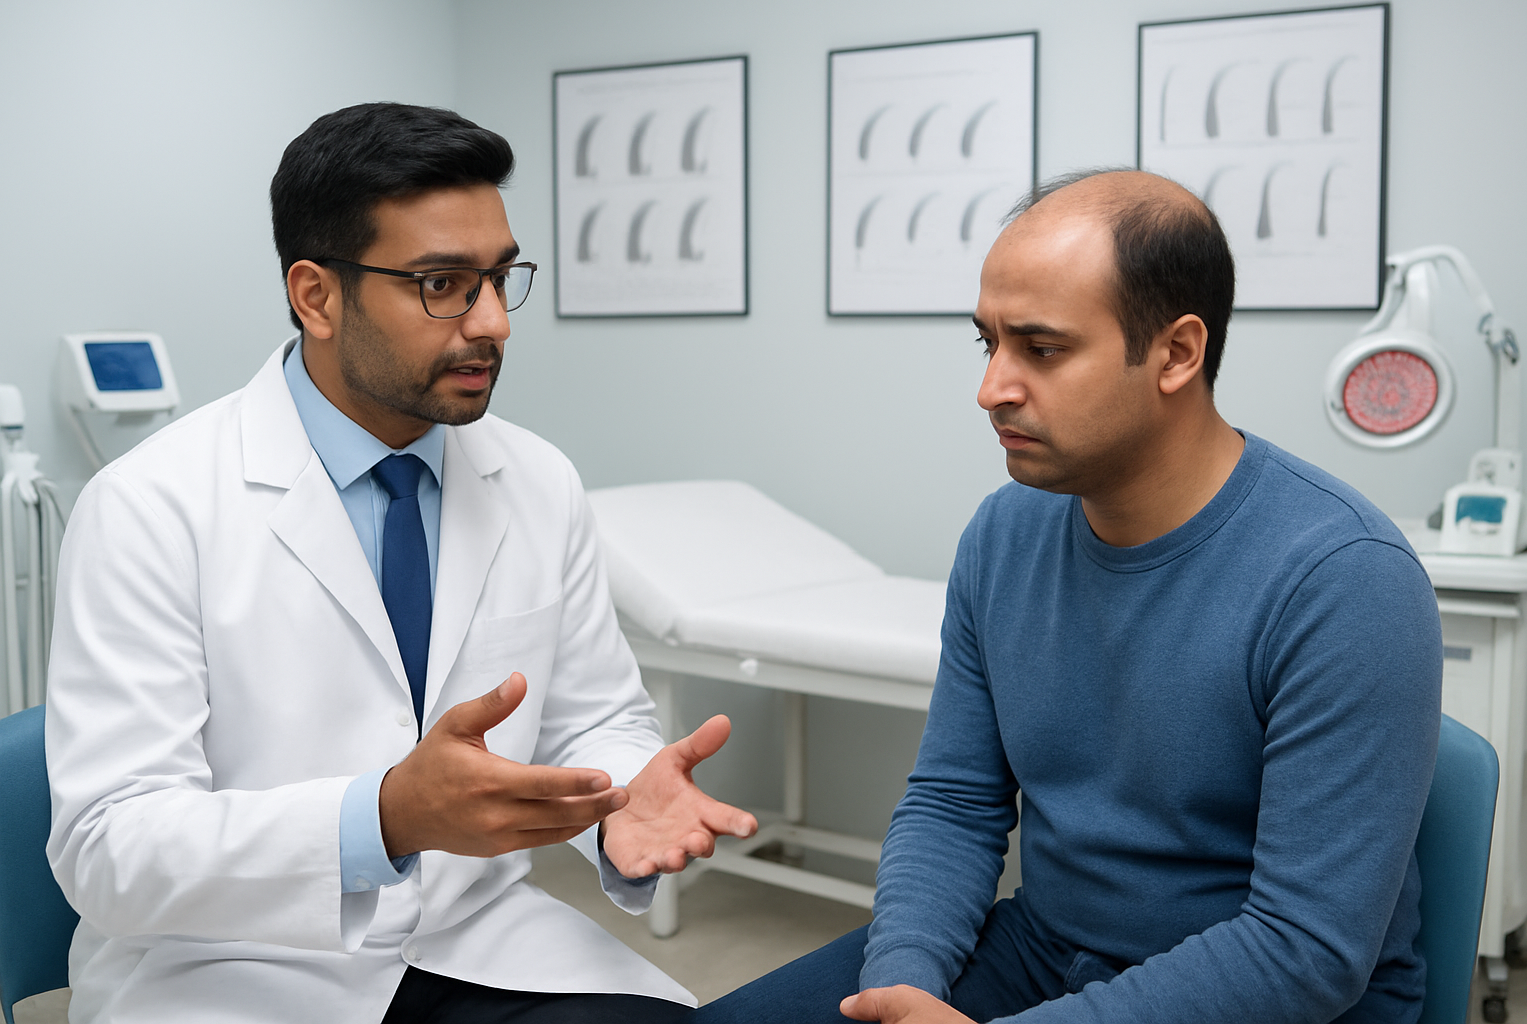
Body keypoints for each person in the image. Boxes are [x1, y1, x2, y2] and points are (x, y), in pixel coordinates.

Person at [45, 101, 756, 1024]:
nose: (493, 322)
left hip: (479, 941)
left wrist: (622, 795)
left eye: (501, 279)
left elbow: (594, 715)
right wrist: (380, 820)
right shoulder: (150, 506)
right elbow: (109, 848)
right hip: (228, 970)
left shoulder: (537, 479)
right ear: (317, 296)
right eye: (443, 284)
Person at [692, 169, 1442, 1024]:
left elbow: (1303, 950)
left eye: (1041, 350)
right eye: (989, 344)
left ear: (1176, 353)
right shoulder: (1005, 535)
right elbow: (954, 799)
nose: (993, 389)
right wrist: (904, 984)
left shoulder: (1344, 577)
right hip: (1045, 952)